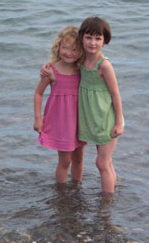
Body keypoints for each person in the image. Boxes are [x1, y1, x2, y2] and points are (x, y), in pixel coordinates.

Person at [43, 18, 124, 193]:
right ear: (82, 39)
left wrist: (119, 122)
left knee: (102, 163)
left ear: (105, 40)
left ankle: (107, 206)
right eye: (88, 37)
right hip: (90, 120)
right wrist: (48, 66)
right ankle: (97, 197)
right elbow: (64, 64)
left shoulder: (105, 65)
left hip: (106, 121)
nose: (92, 43)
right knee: (106, 163)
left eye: (98, 39)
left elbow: (116, 94)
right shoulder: (81, 62)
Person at [34, 26, 87, 184]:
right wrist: (38, 118)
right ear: (58, 47)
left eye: (74, 49)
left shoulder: (83, 70)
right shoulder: (51, 71)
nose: (69, 53)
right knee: (65, 162)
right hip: (62, 123)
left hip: (80, 122)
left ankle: (76, 188)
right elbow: (38, 93)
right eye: (65, 48)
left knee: (78, 158)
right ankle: (61, 193)